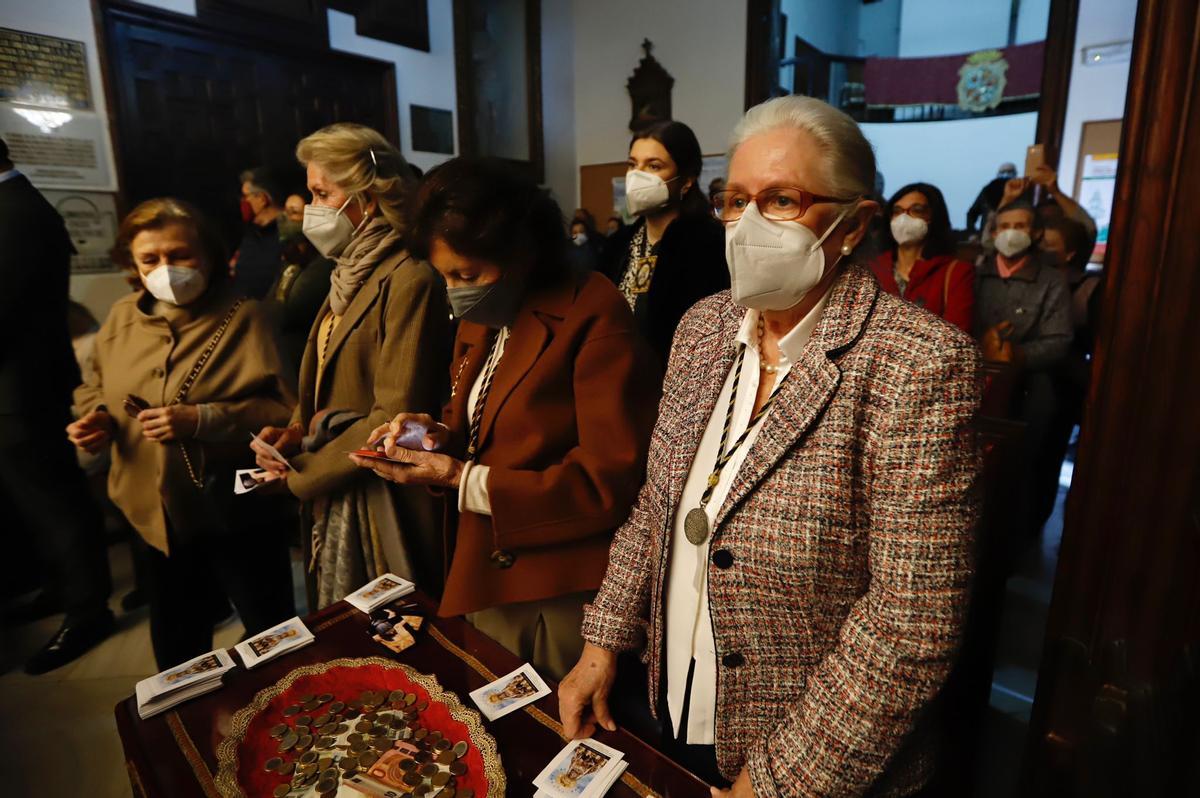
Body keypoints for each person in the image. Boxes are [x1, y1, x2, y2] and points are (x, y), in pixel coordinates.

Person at [560, 96, 982, 796]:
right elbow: (658, 506)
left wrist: (779, 782)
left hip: (804, 757)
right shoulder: (703, 328)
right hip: (673, 708)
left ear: (855, 223)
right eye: (736, 200)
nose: (749, 223)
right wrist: (603, 642)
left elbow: (910, 624)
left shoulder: (918, 363)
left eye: (782, 200)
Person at [352, 157, 659, 680]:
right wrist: (428, 436)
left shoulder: (593, 312)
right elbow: (475, 421)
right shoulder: (485, 313)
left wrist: (460, 478)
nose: (454, 291)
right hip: (484, 560)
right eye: (445, 276)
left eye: (466, 274)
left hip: (553, 584)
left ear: (521, 253)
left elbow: (608, 483)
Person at [68, 198, 296, 670]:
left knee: (269, 629)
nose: (166, 269)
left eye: (180, 255)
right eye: (150, 259)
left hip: (234, 506)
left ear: (209, 255)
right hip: (149, 510)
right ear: (132, 263)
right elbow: (95, 384)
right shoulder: (121, 317)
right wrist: (98, 419)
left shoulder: (250, 317)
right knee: (176, 637)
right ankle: (186, 730)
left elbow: (292, 410)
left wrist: (204, 418)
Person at [252, 123, 451, 609]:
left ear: (369, 194)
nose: (313, 208)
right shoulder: (349, 270)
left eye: (322, 193)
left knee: (390, 629)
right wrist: (296, 432)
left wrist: (301, 475)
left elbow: (393, 413)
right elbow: (329, 373)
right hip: (339, 475)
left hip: (383, 497)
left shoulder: (410, 277)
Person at [0, 138, 116, 674]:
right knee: (33, 498)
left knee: (54, 498)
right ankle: (57, 586)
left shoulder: (18, 213)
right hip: (20, 383)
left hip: (24, 385)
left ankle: (88, 609)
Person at [975, 198, 1072, 542]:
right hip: (977, 381)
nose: (1010, 234)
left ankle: (1015, 542)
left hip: (1028, 389)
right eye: (1004, 226)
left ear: (1034, 233)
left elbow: (1060, 340)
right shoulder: (977, 271)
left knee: (1021, 471)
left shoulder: (1050, 280)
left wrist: (1016, 354)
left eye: (1019, 226)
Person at [599, 120, 729, 368]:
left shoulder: (708, 243)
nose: (637, 175)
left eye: (653, 166)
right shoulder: (619, 243)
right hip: (617, 377)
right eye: (632, 164)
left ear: (687, 180)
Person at [869, 182, 973, 332]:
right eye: (897, 211)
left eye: (916, 210)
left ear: (933, 217)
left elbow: (957, 334)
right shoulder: (872, 268)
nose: (904, 218)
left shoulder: (957, 272)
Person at [230, 166, 286, 299]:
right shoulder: (252, 233)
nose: (242, 202)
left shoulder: (286, 235)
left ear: (262, 199)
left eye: (245, 196)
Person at [967, 161, 1018, 234]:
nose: (1006, 175)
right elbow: (972, 213)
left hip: (1007, 236)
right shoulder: (987, 191)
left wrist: (972, 233)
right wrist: (972, 233)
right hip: (995, 236)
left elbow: (972, 213)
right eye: (1003, 172)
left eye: (1009, 172)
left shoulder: (1020, 190)